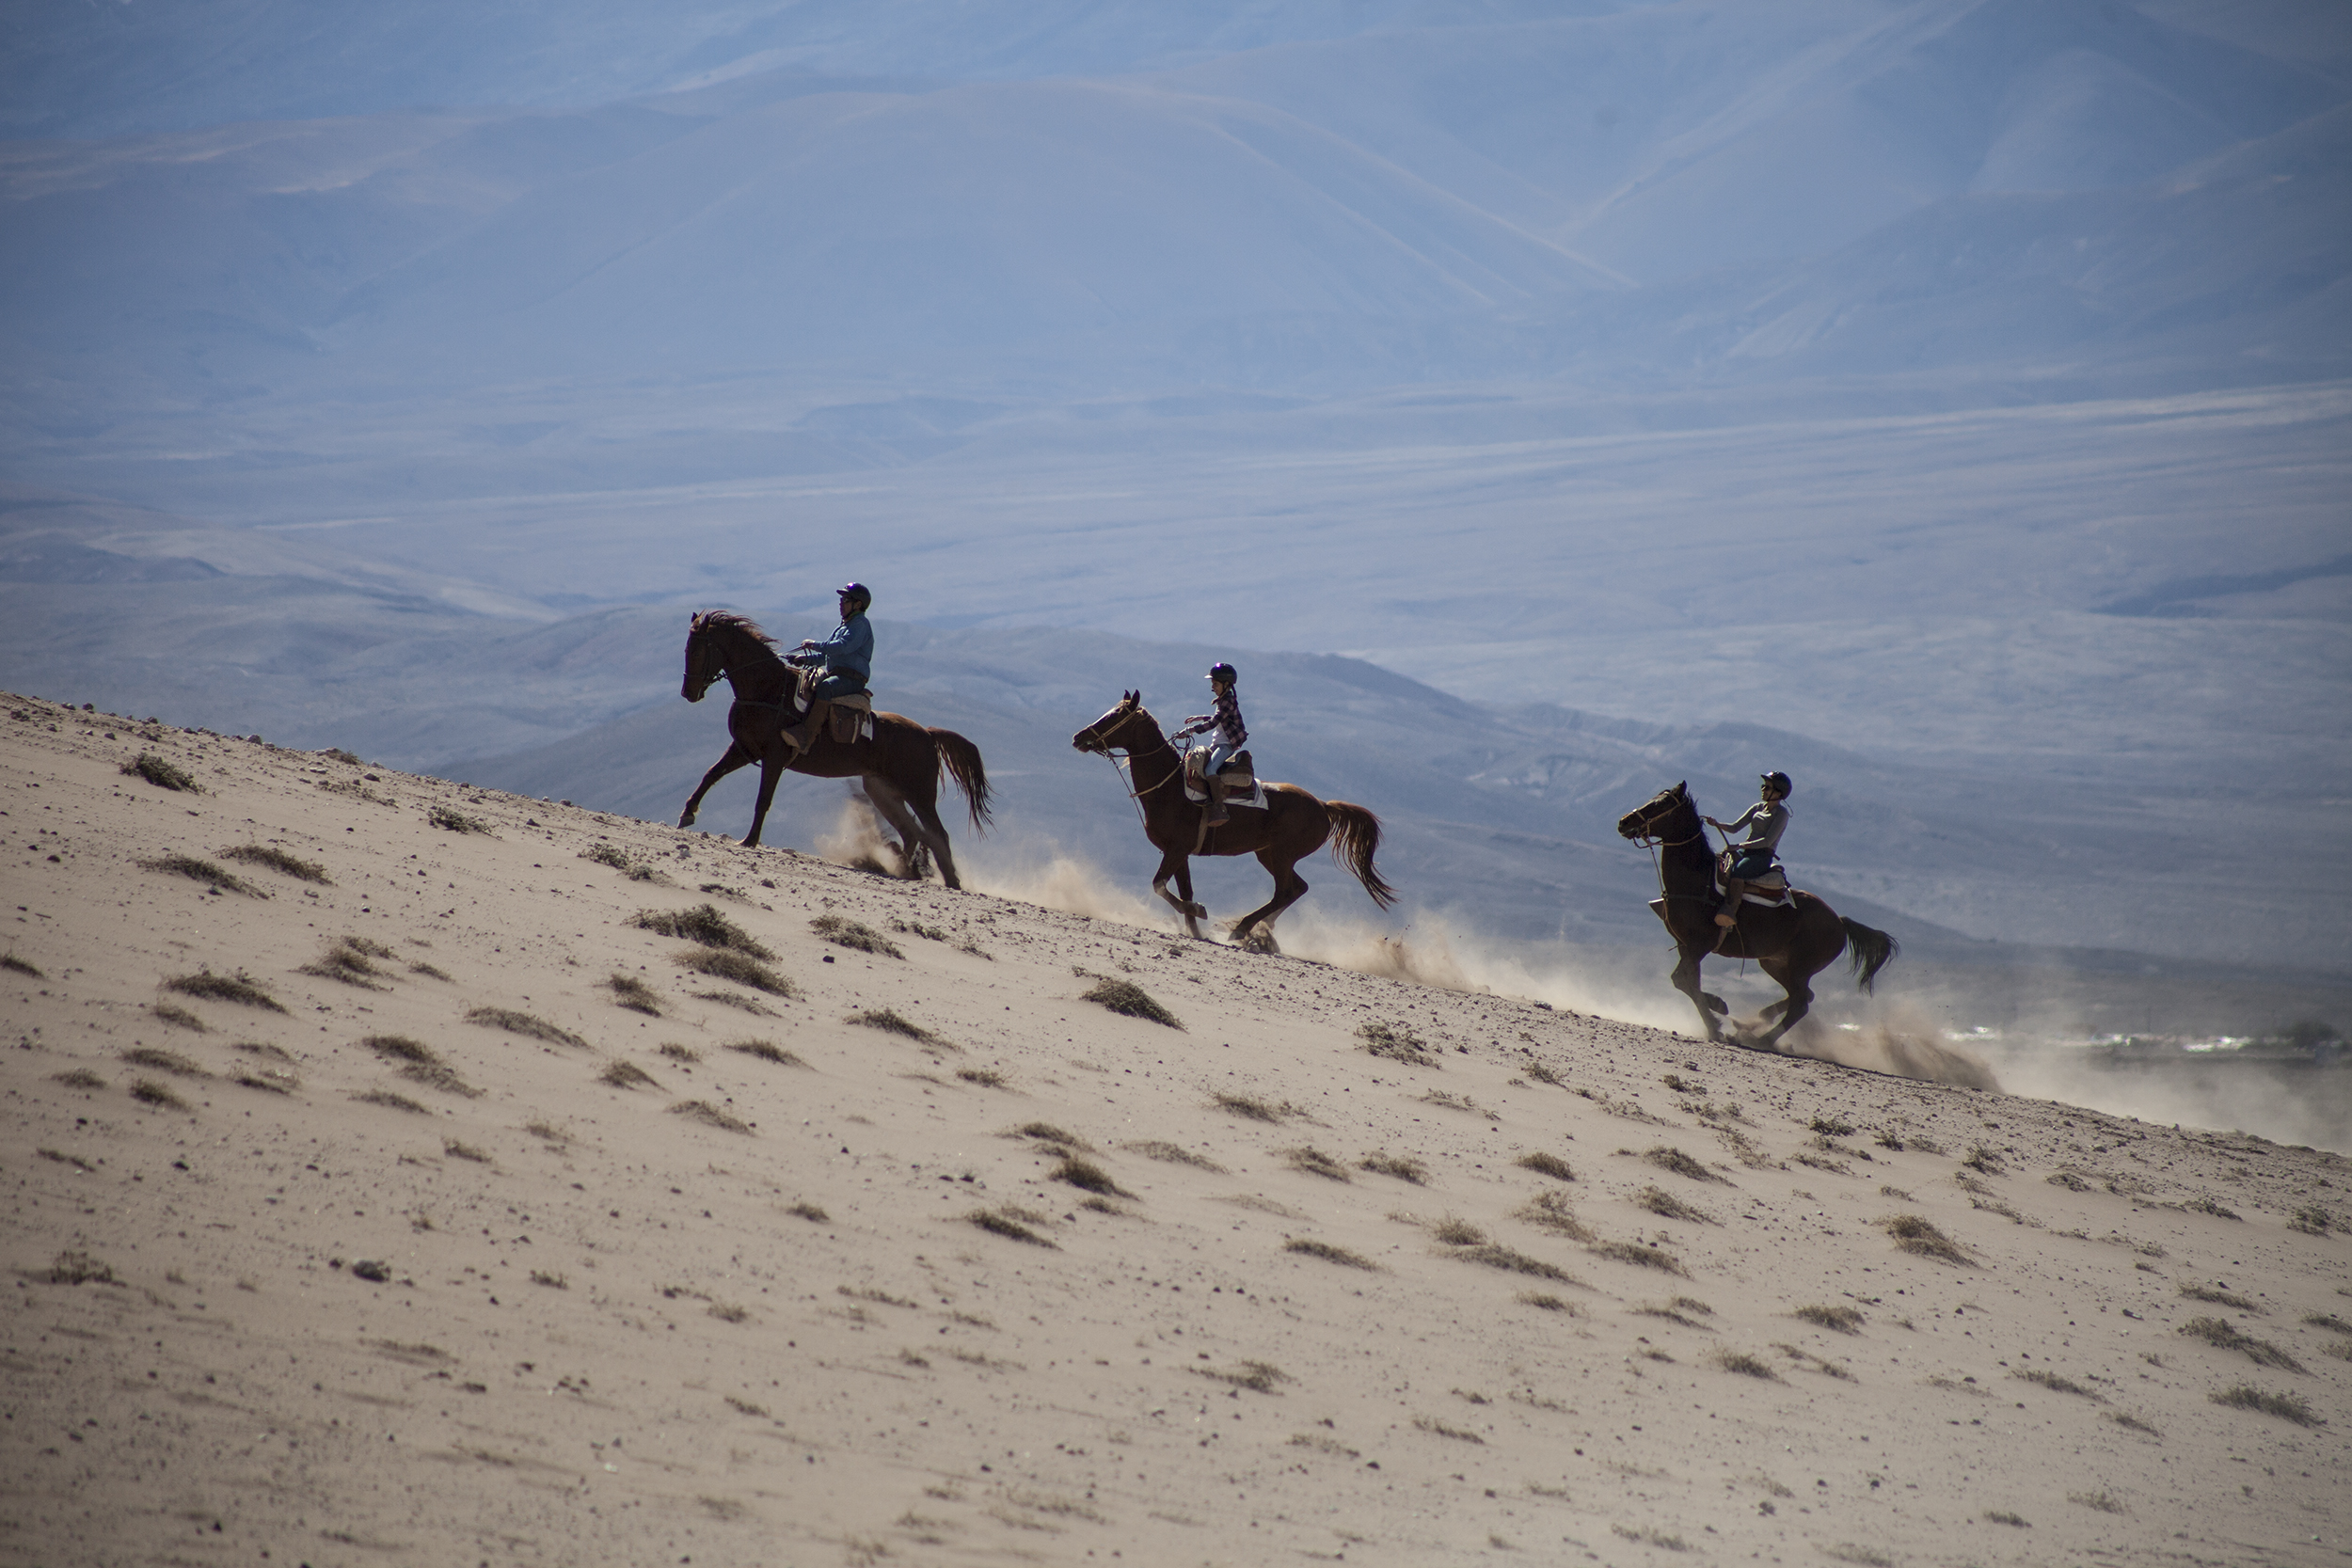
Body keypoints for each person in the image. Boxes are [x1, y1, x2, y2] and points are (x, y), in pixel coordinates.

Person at [781, 582, 873, 752]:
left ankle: (806, 735)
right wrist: (803, 660)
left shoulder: (860, 625)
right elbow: (826, 656)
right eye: (841, 599)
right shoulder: (844, 625)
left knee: (825, 688)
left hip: (852, 678)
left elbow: (842, 647)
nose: (840, 603)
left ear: (858, 604)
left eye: (845, 599)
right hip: (837, 672)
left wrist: (814, 644)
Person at [1704, 771, 1791, 928]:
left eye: (1767, 787)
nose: (1763, 789)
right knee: (1719, 863)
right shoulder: (1757, 807)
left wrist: (1739, 846)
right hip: (1746, 851)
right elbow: (1735, 827)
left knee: (1737, 871)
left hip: (1761, 856)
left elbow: (1767, 841)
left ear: (1778, 793)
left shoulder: (1782, 814)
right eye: (1763, 786)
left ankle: (1729, 912)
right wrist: (1717, 823)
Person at [1171, 662, 1247, 825]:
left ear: (1226, 684)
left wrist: (1189, 731)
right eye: (1213, 683)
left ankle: (1219, 807)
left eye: (1216, 683)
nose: (1213, 687)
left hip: (1225, 745)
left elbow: (1214, 723)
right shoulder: (1224, 700)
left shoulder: (1227, 701)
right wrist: (1201, 717)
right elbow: (1218, 718)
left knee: (1210, 769)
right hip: (1219, 743)